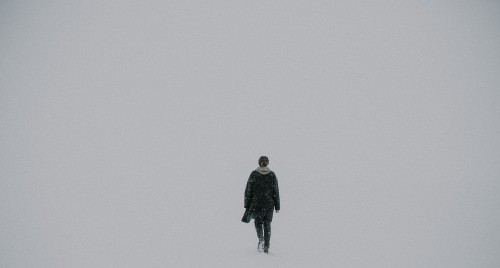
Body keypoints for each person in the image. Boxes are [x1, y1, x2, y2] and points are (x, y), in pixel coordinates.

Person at [244, 156, 280, 253]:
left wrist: (247, 204)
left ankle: (261, 239)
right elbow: (276, 191)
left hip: (257, 204)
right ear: (267, 163)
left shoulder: (254, 174)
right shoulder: (272, 174)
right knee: (267, 224)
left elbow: (248, 190)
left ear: (259, 163)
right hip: (269, 204)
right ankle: (266, 245)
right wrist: (277, 206)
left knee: (258, 223)